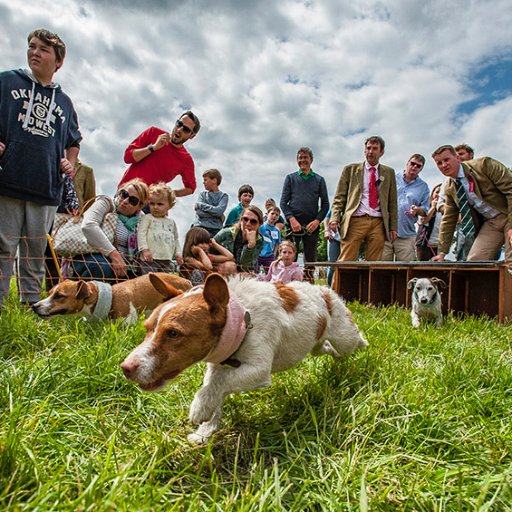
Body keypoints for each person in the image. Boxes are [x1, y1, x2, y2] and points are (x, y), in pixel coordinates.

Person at [0, 28, 81, 306]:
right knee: (3, 248)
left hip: (46, 188)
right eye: (32, 46)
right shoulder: (6, 81)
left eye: (43, 49)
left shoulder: (65, 102)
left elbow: (74, 141)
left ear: (58, 61)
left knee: (35, 251)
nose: (35, 52)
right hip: (7, 181)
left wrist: (68, 164)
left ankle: (30, 306)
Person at [430, 145, 512, 262]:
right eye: (439, 163)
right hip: (491, 223)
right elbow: (448, 219)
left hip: (508, 214)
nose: (443, 165)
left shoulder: (485, 165)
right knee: (475, 261)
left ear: (457, 158)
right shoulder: (450, 187)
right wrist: (442, 252)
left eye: (446, 160)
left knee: (510, 262)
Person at [329, 136, 398, 261]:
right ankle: (338, 281)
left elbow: (392, 202)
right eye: (368, 148)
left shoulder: (389, 172)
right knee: (346, 261)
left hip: (378, 222)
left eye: (375, 148)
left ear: (381, 152)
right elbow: (339, 197)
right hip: (355, 219)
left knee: (373, 264)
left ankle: (369, 281)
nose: (371, 151)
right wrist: (334, 218)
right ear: (364, 150)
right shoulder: (350, 170)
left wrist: (393, 227)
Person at [69, 178, 149, 281]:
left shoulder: (142, 219)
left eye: (132, 201)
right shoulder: (106, 203)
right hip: (92, 255)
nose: (125, 201)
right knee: (102, 268)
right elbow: (88, 225)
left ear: (140, 206)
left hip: (126, 266)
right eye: (124, 194)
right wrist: (114, 255)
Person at [118, 111, 200, 197]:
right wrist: (153, 148)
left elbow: (190, 188)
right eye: (179, 124)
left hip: (147, 203)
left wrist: (167, 194)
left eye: (186, 129)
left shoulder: (186, 160)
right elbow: (127, 157)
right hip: (124, 193)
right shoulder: (153, 132)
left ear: (192, 136)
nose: (179, 130)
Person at [280, 146, 329, 283]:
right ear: (297, 160)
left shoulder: (319, 180)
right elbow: (283, 202)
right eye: (300, 158)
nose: (302, 160)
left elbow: (325, 205)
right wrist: (292, 220)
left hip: (311, 226)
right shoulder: (290, 178)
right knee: (289, 256)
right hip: (292, 224)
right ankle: (287, 284)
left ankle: (308, 286)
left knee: (310, 259)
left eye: (305, 157)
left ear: (311, 160)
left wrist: (317, 221)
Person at [381, 154, 430, 261]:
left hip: (406, 234)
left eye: (418, 166)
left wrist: (418, 210)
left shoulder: (423, 187)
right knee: (381, 270)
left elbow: (425, 210)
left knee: (406, 270)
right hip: (385, 232)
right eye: (412, 164)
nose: (414, 167)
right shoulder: (391, 178)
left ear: (421, 169)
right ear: (407, 163)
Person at [137, 182, 183, 272]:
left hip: (166, 259)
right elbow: (141, 234)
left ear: (170, 205)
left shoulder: (171, 222)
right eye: (152, 203)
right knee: (149, 282)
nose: (155, 207)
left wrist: (178, 253)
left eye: (160, 204)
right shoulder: (147, 218)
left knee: (163, 283)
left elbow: (176, 239)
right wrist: (144, 250)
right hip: (150, 259)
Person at [214, 205, 264, 272]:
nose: (248, 223)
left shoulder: (259, 240)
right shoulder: (226, 233)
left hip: (241, 271)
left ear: (259, 224)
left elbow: (246, 267)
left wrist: (250, 246)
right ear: (241, 219)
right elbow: (208, 250)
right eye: (245, 219)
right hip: (220, 269)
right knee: (230, 266)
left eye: (253, 221)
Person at [193, 168, 228, 237]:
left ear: (214, 181)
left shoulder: (223, 196)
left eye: (205, 180)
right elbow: (199, 212)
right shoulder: (202, 195)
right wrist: (218, 216)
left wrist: (200, 205)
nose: (203, 182)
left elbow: (219, 211)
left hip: (216, 230)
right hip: (200, 228)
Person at [416, 184, 443, 261]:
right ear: (433, 193)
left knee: (438, 270)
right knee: (423, 269)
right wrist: (433, 207)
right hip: (424, 244)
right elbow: (424, 221)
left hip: (439, 246)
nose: (438, 195)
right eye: (437, 192)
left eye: (441, 193)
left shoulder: (446, 209)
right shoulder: (426, 207)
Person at [257, 206, 282, 272]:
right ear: (267, 214)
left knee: (270, 273)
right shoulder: (260, 227)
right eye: (272, 213)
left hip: (269, 256)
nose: (274, 216)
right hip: (258, 254)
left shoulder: (277, 230)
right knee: (255, 272)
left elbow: (277, 243)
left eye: (277, 215)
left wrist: (274, 253)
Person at [323, 208, 340, 287]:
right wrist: (326, 230)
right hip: (334, 238)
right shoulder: (337, 204)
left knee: (349, 264)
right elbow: (327, 218)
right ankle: (329, 287)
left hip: (348, 238)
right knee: (332, 264)